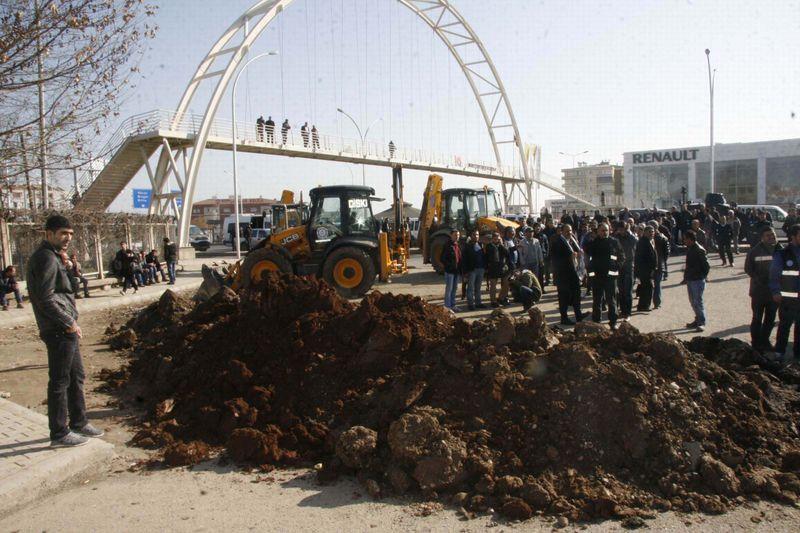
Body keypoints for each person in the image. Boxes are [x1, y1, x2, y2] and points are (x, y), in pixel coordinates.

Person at [26, 215, 103, 447]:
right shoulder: (45, 258)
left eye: (70, 234)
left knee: (76, 376)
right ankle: (59, 433)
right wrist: (68, 321)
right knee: (60, 381)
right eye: (62, 233)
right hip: (58, 329)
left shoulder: (56, 257)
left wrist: (70, 269)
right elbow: (45, 298)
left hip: (66, 328)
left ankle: (79, 422)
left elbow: (69, 289)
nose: (67, 238)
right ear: (48, 234)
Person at [745, 226, 781, 351]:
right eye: (768, 235)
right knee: (757, 319)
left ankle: (765, 341)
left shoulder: (780, 250)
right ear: (762, 238)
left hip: (774, 292)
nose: (772, 237)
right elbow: (748, 269)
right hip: (758, 292)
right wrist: (759, 279)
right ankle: (756, 344)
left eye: (773, 234)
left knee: (770, 319)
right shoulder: (754, 251)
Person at [769, 224, 800, 362]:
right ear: (793, 237)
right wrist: (776, 291)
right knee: (784, 325)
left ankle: (797, 353)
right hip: (787, 298)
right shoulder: (782, 254)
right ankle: (779, 351)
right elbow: (774, 275)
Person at [585, 222, 621, 328]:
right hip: (597, 277)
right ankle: (597, 322)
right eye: (602, 230)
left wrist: (616, 268)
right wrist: (591, 276)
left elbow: (621, 257)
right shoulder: (593, 244)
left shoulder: (614, 242)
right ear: (598, 232)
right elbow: (589, 262)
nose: (605, 232)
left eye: (606, 230)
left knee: (612, 301)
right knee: (597, 301)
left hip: (611, 277)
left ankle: (613, 322)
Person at [551, 223, 583, 325]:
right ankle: (564, 318)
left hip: (573, 273)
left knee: (576, 294)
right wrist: (570, 256)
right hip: (563, 274)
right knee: (564, 296)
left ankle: (578, 314)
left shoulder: (572, 241)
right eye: (567, 231)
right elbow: (555, 258)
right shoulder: (558, 242)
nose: (569, 233)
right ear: (562, 231)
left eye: (570, 231)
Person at [683, 230, 710, 332]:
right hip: (691, 279)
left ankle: (701, 322)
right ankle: (697, 319)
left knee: (697, 301)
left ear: (690, 239)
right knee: (692, 301)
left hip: (697, 280)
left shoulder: (699, 250)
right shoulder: (690, 248)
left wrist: (702, 276)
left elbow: (706, 266)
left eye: (685, 239)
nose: (684, 241)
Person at [635, 226, 658, 312]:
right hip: (645, 270)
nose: (652, 233)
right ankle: (644, 306)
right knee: (647, 287)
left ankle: (643, 306)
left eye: (653, 232)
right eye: (650, 232)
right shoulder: (643, 242)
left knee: (646, 288)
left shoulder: (650, 240)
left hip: (649, 269)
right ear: (644, 232)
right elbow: (640, 257)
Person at [462, 230, 486, 310]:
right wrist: (465, 272)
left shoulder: (480, 244)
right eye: (474, 235)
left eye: (477, 234)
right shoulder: (467, 246)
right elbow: (464, 260)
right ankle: (471, 304)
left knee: (478, 288)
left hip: (481, 269)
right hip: (472, 270)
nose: (476, 236)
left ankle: (478, 303)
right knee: (470, 288)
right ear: (471, 236)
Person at [486, 231, 510, 308]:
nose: (496, 239)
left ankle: (501, 298)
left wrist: (501, 244)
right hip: (493, 267)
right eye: (495, 238)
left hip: (502, 267)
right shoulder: (489, 246)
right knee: (493, 285)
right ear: (492, 239)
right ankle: (493, 301)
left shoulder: (502, 245)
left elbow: (507, 253)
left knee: (507, 283)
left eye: (498, 238)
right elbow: (489, 256)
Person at [650, 220, 670, 308]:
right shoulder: (662, 237)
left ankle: (655, 302)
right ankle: (656, 302)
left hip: (656, 264)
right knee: (657, 284)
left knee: (655, 284)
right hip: (659, 263)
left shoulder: (659, 238)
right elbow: (667, 252)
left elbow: (667, 252)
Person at [441, 229, 461, 311]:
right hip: (450, 272)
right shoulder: (447, 245)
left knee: (454, 289)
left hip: (456, 271)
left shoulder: (456, 245)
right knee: (449, 289)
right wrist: (449, 267)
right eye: (455, 235)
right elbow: (442, 258)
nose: (457, 237)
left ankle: (453, 305)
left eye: (458, 235)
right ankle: (447, 307)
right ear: (451, 235)